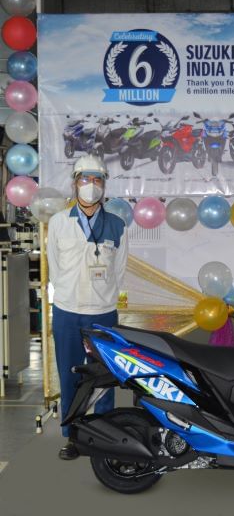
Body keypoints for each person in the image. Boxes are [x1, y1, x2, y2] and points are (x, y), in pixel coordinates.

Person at [47, 155, 128, 460]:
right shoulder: (58, 222)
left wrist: (103, 296)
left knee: (104, 377)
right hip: (67, 312)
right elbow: (55, 267)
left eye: (97, 180)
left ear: (104, 185)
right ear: (74, 183)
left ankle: (103, 437)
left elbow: (119, 270)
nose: (90, 186)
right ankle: (73, 436)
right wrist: (68, 293)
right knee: (69, 376)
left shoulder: (117, 225)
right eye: (85, 179)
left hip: (103, 313)